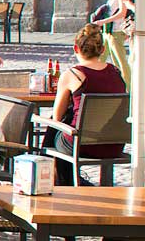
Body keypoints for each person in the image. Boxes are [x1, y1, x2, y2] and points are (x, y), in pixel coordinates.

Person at [49, 24, 126, 181]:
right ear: (102, 50)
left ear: (76, 49)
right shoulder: (116, 73)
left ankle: (65, 182)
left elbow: (57, 116)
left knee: (55, 133)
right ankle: (72, 182)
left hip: (83, 143)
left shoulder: (73, 75)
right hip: (114, 144)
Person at [90, 0, 136, 85]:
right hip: (107, 30)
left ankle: (127, 87)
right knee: (100, 57)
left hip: (116, 30)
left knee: (120, 61)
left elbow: (122, 12)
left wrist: (103, 21)